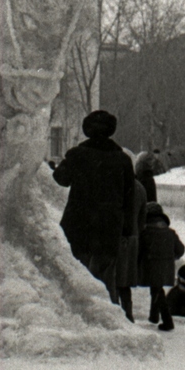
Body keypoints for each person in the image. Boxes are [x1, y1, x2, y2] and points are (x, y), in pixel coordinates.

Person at [52, 110, 135, 303]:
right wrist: (127, 230)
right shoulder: (123, 160)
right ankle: (108, 313)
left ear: (87, 130)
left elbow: (60, 178)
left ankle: (77, 311)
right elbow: (129, 198)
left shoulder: (77, 155)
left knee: (76, 274)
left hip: (79, 225)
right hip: (109, 228)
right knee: (105, 278)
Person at [138, 202, 185, 331]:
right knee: (157, 289)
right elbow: (180, 250)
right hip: (166, 268)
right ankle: (154, 316)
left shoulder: (144, 232)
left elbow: (138, 250)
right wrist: (171, 257)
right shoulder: (170, 232)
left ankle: (167, 321)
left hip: (150, 266)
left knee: (157, 290)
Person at [115, 173, 148, 323]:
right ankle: (128, 314)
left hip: (117, 236)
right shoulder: (140, 188)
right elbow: (143, 216)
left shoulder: (117, 184)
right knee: (125, 281)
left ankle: (115, 313)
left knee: (113, 278)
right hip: (133, 238)